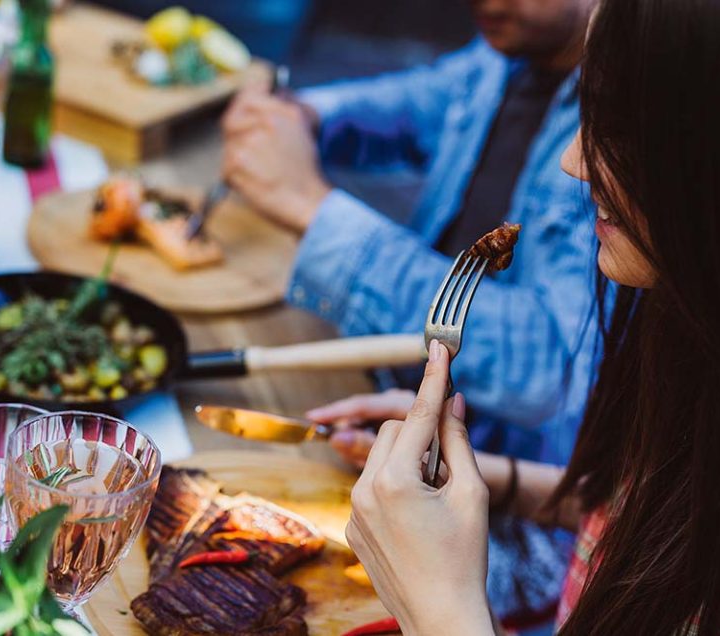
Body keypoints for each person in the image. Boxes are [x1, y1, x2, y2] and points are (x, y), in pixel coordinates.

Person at [348, 0, 720, 633]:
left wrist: (441, 610)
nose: (573, 163)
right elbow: (653, 514)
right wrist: (492, 482)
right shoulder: (694, 336)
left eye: (621, 124)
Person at [223, 0, 597, 621]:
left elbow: (550, 368)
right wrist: (302, 116)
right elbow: (421, 102)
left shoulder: (621, 122)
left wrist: (313, 208)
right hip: (412, 426)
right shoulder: (512, 55)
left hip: (517, 540)